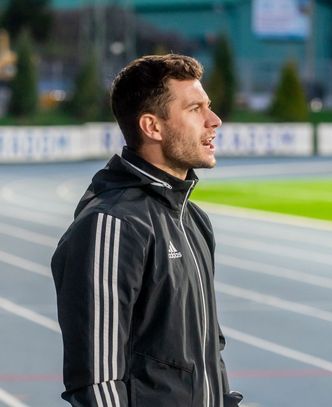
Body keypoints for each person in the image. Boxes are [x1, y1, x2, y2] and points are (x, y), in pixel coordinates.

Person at [51, 54, 243, 407]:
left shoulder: (193, 219)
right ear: (152, 127)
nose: (214, 120)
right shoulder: (111, 223)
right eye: (195, 109)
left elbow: (208, 350)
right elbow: (97, 381)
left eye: (208, 106)